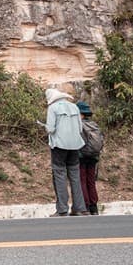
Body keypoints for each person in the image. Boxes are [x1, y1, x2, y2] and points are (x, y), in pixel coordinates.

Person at [43, 87, 88, 216]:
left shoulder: (52, 108)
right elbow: (80, 128)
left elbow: (50, 129)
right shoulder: (74, 107)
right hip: (75, 146)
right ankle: (79, 208)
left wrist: (46, 127)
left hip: (59, 146)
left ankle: (62, 209)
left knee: (59, 176)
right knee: (75, 176)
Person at [77, 102, 102, 215]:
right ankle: (94, 207)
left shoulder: (79, 125)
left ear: (81, 114)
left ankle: (85, 205)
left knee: (82, 180)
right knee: (91, 181)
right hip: (94, 156)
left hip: (82, 156)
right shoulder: (94, 125)